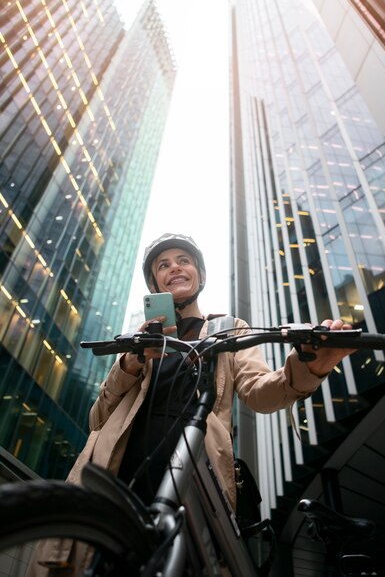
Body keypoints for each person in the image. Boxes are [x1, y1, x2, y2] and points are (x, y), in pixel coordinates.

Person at [28, 232, 354, 576]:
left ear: (199, 273)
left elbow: (260, 391)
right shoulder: (140, 337)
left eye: (184, 261)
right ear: (155, 283)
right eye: (163, 265)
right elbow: (97, 419)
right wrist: (132, 361)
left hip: (193, 486)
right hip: (118, 481)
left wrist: (311, 366)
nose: (174, 268)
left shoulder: (228, 329)